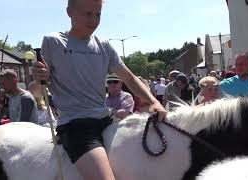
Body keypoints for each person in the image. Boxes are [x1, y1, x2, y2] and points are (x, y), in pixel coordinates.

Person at [31, 0, 166, 179]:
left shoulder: (104, 45)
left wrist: (154, 101)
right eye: (88, 13)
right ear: (70, 12)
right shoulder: (53, 42)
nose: (94, 20)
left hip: (106, 118)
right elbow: (38, 90)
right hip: (76, 126)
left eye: (98, 14)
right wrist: (39, 78)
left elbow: (129, 78)